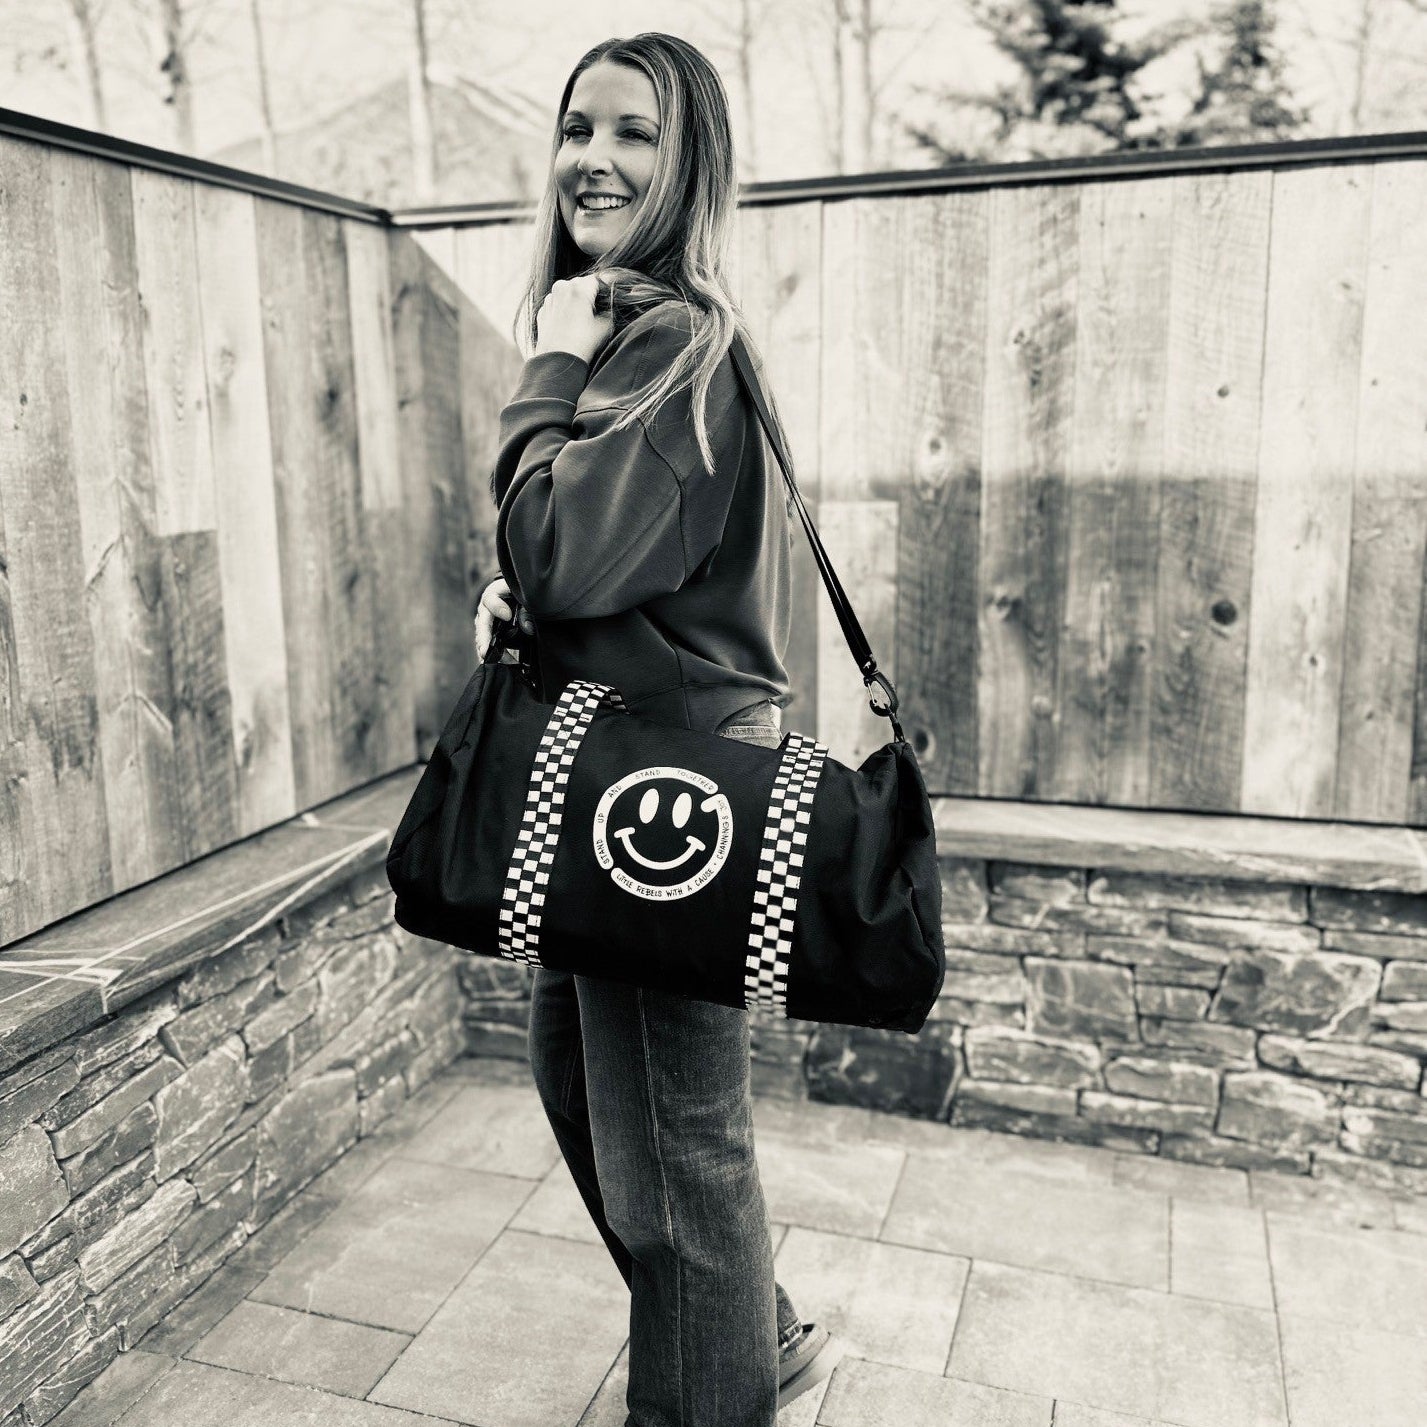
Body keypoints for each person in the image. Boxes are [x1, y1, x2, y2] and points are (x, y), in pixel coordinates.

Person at [472, 32, 843, 1427]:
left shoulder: (668, 340)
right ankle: (759, 1332)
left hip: (663, 787)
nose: (595, 158)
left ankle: (707, 1401)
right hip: (619, 756)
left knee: (677, 1153)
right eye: (578, 127)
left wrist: (545, 376)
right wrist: (523, 598)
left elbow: (565, 545)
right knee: (584, 1091)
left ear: (690, 164)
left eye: (635, 132)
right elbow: (592, 566)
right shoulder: (632, 336)